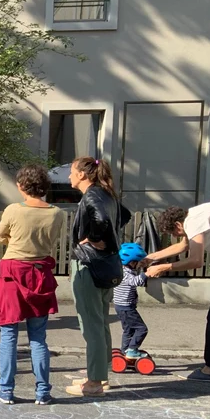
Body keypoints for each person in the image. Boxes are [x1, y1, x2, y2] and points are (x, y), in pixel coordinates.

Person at [0, 165, 64, 405]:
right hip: (39, 272)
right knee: (38, 337)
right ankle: (42, 391)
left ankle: (6, 390)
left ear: (22, 186)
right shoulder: (57, 213)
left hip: (12, 271)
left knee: (9, 334)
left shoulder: (14, 210)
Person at [64, 157, 131, 398]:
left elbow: (102, 220)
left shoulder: (92, 195)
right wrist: (108, 239)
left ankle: (93, 383)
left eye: (72, 172)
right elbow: (125, 215)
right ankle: (100, 376)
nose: (69, 176)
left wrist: (93, 238)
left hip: (89, 266)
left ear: (83, 174)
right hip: (107, 265)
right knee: (101, 322)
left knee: (90, 324)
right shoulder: (107, 194)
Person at [145, 203, 210, 381]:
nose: (175, 237)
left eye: (173, 233)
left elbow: (195, 261)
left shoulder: (193, 221)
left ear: (178, 225)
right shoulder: (196, 215)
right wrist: (150, 258)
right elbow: (184, 246)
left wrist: (163, 268)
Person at [114, 243, 150, 360]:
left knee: (128, 329)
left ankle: (125, 350)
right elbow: (136, 282)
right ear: (132, 262)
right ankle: (132, 350)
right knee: (141, 329)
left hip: (122, 306)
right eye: (138, 262)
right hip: (126, 307)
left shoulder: (122, 269)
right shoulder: (124, 273)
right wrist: (147, 274)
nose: (139, 264)